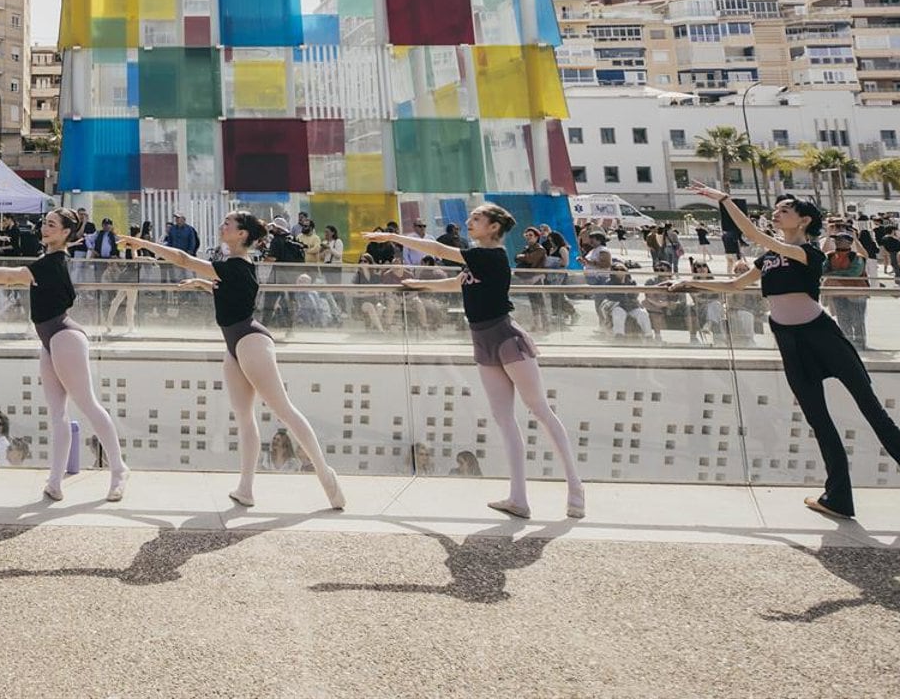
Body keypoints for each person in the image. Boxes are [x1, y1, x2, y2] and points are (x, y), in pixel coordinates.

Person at [669, 186, 900, 524]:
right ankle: (837, 497)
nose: (777, 213)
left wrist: (723, 200)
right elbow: (736, 286)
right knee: (820, 422)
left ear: (804, 219)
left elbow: (751, 233)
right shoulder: (768, 258)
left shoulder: (809, 252)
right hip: (790, 342)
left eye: (785, 209)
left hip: (822, 337)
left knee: (874, 414)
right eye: (776, 209)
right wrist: (690, 284)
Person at [364, 204, 587, 520]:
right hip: (483, 340)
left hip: (507, 338)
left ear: (494, 227)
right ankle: (518, 498)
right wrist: (420, 285)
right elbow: (458, 283)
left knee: (540, 410)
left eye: (477, 219)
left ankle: (575, 487)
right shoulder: (479, 260)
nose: (469, 222)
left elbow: (438, 248)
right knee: (504, 420)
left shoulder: (490, 255)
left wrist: (392, 236)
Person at [121, 214, 344, 511]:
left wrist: (140, 243)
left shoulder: (236, 265)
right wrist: (202, 283)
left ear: (242, 235)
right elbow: (229, 291)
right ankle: (246, 489)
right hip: (236, 345)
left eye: (229, 223)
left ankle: (326, 476)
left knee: (284, 410)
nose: (222, 226)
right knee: (244, 418)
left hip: (250, 341)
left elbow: (182, 258)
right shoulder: (234, 267)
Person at [0, 208, 129, 502]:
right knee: (57, 415)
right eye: (44, 224)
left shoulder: (53, 262)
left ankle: (119, 470)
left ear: (65, 233)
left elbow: (12, 276)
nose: (44, 228)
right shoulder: (50, 260)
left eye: (51, 225)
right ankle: (55, 481)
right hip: (51, 339)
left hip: (64, 336)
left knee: (88, 405)